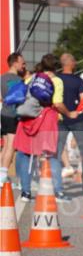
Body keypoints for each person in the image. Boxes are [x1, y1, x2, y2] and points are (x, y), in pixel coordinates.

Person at [13, 54, 63, 201]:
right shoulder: (56, 81)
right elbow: (57, 102)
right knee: (50, 154)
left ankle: (25, 191)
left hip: (27, 120)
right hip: (46, 120)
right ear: (55, 66)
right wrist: (69, 113)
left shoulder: (32, 78)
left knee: (25, 154)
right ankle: (56, 191)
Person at [53, 53, 83, 196]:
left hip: (60, 119)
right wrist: (76, 111)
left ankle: (56, 183)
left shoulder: (55, 79)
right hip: (77, 119)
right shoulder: (78, 80)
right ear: (70, 63)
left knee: (57, 150)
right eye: (74, 60)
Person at [1, 53, 27, 185]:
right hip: (13, 115)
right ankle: (3, 176)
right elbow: (23, 100)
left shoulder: (1, 78)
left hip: (4, 114)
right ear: (14, 63)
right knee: (11, 146)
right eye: (22, 62)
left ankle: (1, 173)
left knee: (5, 146)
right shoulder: (18, 80)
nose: (24, 65)